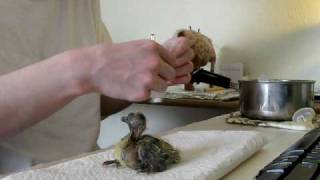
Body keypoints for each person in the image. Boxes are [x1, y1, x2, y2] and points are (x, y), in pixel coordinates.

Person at [0, 0, 194, 174]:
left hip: (86, 167)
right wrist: (83, 67)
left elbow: (94, 103)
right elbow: (88, 72)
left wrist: (153, 74)